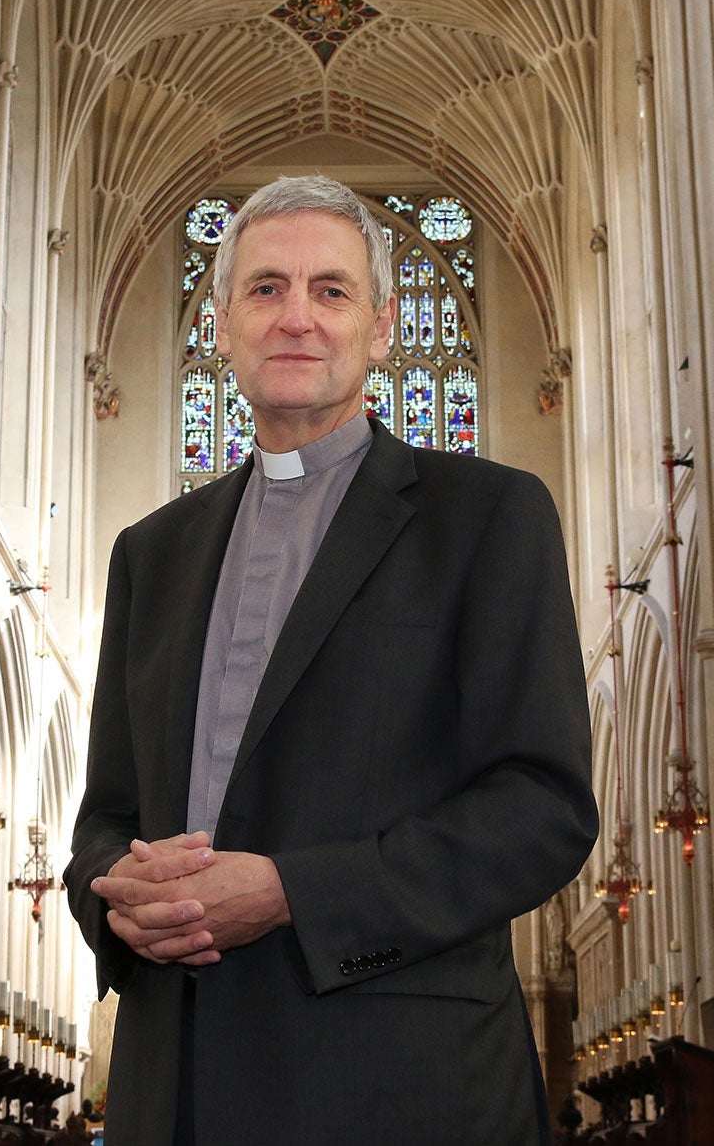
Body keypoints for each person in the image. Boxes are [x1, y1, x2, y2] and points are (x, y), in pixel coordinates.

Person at [65, 174, 597, 1145]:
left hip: (397, 1090)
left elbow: (540, 810)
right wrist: (117, 903)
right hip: (171, 1092)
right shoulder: (153, 551)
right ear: (221, 324)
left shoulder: (486, 518)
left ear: (382, 328)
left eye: (331, 291)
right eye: (265, 289)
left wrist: (289, 894)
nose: (295, 318)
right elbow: (106, 816)